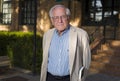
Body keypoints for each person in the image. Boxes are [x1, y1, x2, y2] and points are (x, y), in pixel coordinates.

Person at [40, 4, 91, 81]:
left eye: (63, 17)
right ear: (52, 20)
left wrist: (82, 78)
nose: (59, 21)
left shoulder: (81, 34)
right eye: (56, 17)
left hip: (70, 78)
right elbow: (45, 58)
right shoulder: (47, 35)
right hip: (49, 78)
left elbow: (86, 61)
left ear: (68, 18)